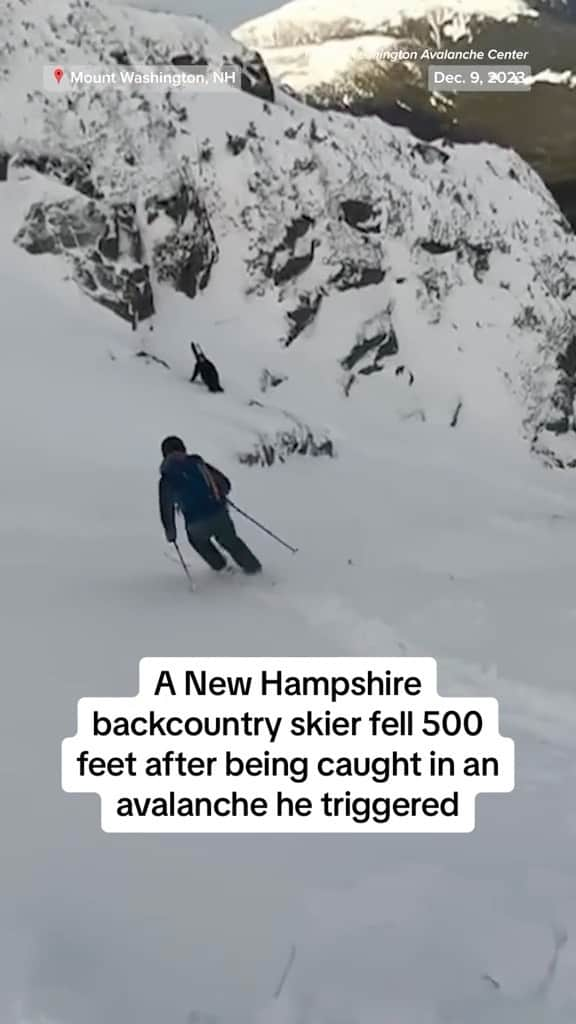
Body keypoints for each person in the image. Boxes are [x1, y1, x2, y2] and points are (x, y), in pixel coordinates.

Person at [159, 436, 262, 575]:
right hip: (219, 513)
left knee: (198, 542)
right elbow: (225, 483)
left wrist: (171, 533)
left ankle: (221, 567)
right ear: (183, 448)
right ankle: (254, 570)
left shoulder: (166, 478)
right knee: (230, 540)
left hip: (195, 523)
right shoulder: (198, 464)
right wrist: (221, 495)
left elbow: (166, 508)